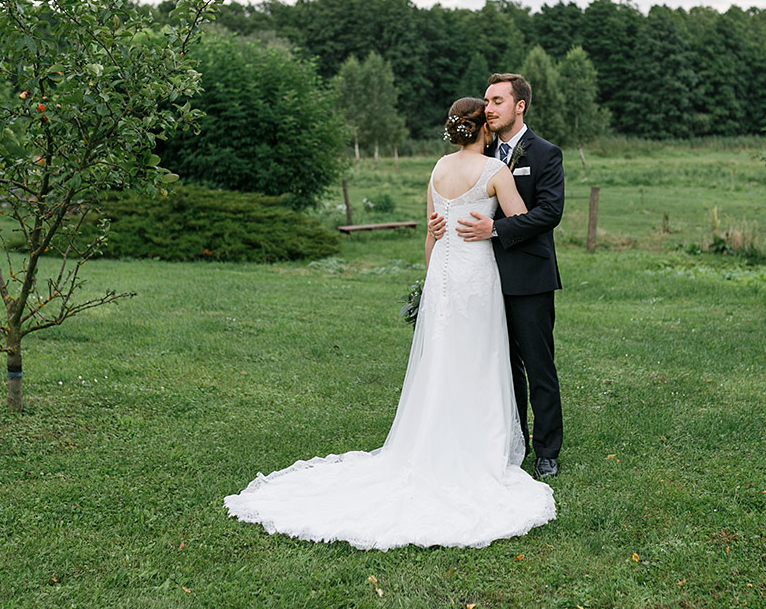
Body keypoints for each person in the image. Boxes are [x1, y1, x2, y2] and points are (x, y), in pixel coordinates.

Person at [222, 98, 555, 550]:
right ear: (483, 131)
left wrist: (434, 274)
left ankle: (430, 440)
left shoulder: (437, 170)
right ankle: (479, 447)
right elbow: (519, 218)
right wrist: (492, 225)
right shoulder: (495, 172)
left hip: (441, 276)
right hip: (476, 275)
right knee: (480, 358)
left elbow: (430, 233)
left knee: (442, 358)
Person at [432, 73, 565, 479]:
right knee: (499, 366)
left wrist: (496, 230)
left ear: (519, 105)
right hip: (481, 278)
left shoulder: (544, 153)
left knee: (538, 364)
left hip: (529, 276)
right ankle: (511, 440)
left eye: (497, 101)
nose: (489, 108)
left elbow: (549, 212)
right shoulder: (480, 154)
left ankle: (547, 450)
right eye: (486, 101)